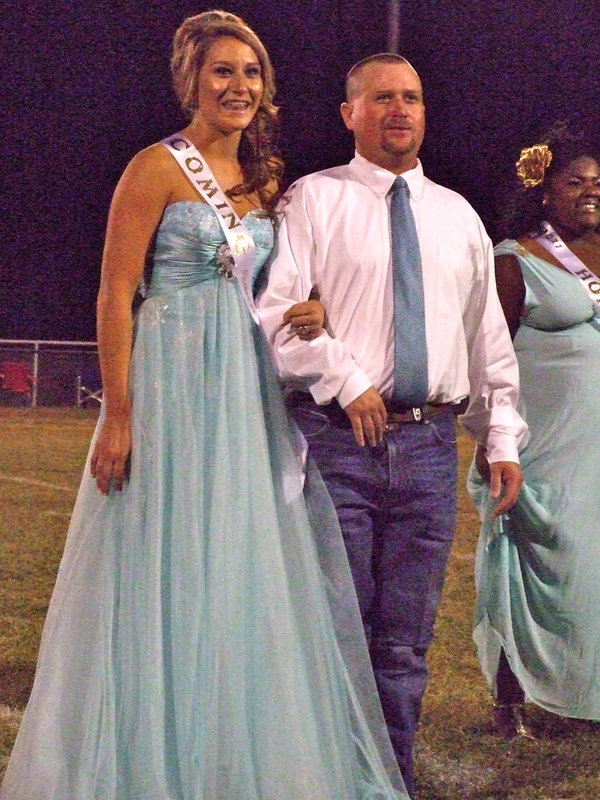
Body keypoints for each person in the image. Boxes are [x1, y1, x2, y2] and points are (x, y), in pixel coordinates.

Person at [0, 14, 408, 799]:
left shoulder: (268, 180)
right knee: (163, 549)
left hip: (245, 390)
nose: (239, 87)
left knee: (239, 553)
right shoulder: (153, 168)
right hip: (172, 385)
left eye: (252, 74)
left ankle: (227, 738)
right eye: (223, 72)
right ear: (191, 81)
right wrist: (120, 414)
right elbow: (116, 293)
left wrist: (312, 310)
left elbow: (277, 291)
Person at [257, 53, 527, 797]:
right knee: (336, 630)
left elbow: (487, 345)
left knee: (406, 641)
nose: (398, 110)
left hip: (431, 446)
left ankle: (391, 782)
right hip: (338, 444)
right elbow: (275, 315)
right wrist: (345, 380)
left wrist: (499, 439)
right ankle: (329, 777)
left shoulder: (457, 216)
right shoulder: (313, 200)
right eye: (381, 98)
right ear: (349, 114)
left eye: (410, 97)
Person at [468, 122, 600, 738]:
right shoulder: (514, 258)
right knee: (539, 561)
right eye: (575, 181)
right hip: (543, 447)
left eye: (598, 182)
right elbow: (489, 357)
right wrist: (497, 441)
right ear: (545, 190)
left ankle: (585, 697)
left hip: (595, 447)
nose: (590, 191)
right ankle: (510, 700)